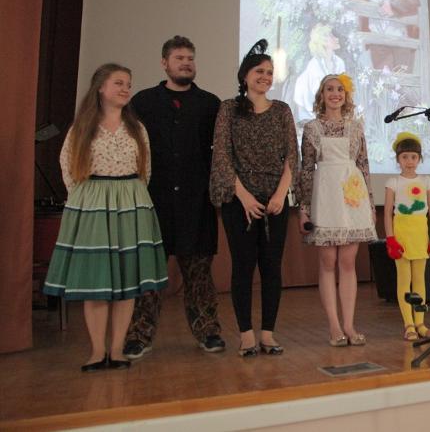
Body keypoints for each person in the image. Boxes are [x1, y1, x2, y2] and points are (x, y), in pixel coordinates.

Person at [43, 63, 168, 371]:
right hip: (94, 204)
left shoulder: (136, 128)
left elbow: (146, 169)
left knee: (127, 280)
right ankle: (97, 352)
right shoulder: (82, 127)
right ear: (100, 87)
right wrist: (87, 199)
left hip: (130, 202)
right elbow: (68, 166)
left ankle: (117, 350)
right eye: (118, 83)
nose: (126, 88)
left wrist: (130, 196)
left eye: (128, 83)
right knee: (96, 280)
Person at [124, 35, 224, 360]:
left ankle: (208, 331)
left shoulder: (210, 104)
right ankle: (139, 335)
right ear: (164, 63)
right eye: (179, 58)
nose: (186, 63)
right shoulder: (143, 102)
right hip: (154, 201)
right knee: (148, 273)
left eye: (190, 58)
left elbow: (220, 154)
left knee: (199, 274)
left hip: (197, 202)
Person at [209, 40, 298, 357]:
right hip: (239, 202)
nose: (265, 76)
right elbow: (222, 156)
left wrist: (280, 194)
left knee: (272, 268)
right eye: (259, 71)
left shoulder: (282, 110)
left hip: (275, 201)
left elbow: (292, 156)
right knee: (243, 267)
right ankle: (246, 335)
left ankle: (268, 334)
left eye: (270, 72)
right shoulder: (228, 109)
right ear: (245, 75)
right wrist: (244, 197)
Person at [296, 73, 377, 346]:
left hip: (352, 196)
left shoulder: (356, 127)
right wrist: (304, 208)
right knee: (328, 262)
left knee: (348, 263)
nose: (335, 94)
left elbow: (364, 165)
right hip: (325, 195)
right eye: (330, 89)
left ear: (346, 95)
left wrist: (370, 202)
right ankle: (334, 326)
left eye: (340, 89)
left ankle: (349, 325)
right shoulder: (311, 128)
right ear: (322, 94)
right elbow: (306, 170)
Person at [384, 132, 430, 341]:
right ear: (398, 159)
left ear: (419, 159)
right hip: (401, 232)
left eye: (413, 157)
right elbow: (388, 213)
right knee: (404, 280)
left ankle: (420, 323)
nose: (409, 161)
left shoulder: (426, 181)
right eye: (405, 157)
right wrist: (390, 238)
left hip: (420, 232)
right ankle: (408, 324)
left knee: (419, 280)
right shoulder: (393, 181)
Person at [346, 0, 420, 72]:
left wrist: (393, 6)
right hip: (377, 43)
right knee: (384, 75)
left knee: (403, 74)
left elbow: (413, 0)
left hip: (401, 42)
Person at [292, 23, 346, 123]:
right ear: (323, 41)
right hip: (309, 111)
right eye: (331, 36)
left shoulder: (339, 62)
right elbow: (316, 96)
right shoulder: (314, 65)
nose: (336, 38)